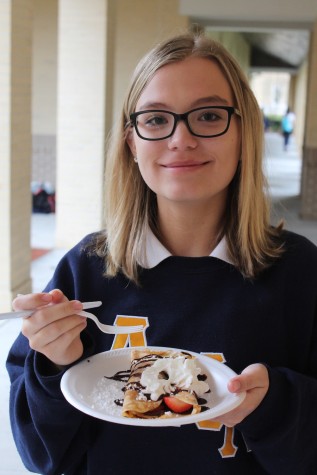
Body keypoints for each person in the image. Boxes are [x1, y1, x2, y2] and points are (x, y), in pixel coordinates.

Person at [6, 32, 317, 475]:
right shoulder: (85, 269)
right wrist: (54, 364)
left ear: (244, 133)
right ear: (132, 142)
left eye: (208, 116)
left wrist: (279, 407)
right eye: (155, 120)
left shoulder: (300, 272)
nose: (180, 139)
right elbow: (41, 455)